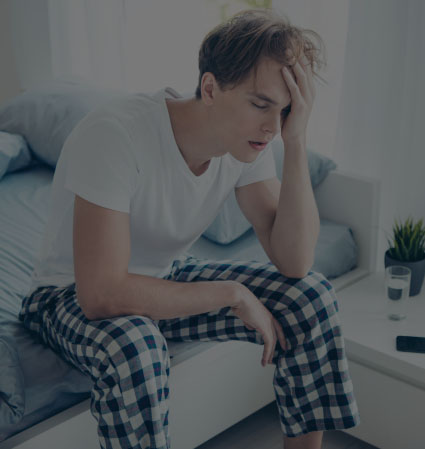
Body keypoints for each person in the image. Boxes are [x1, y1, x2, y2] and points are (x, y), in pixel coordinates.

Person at [19, 8, 360, 449]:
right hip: (63, 296)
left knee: (310, 297)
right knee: (136, 347)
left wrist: (296, 142)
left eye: (285, 110)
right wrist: (232, 293)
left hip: (164, 278)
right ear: (210, 88)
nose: (271, 127)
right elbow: (100, 294)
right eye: (260, 104)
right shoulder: (115, 135)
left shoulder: (250, 144)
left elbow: (295, 261)